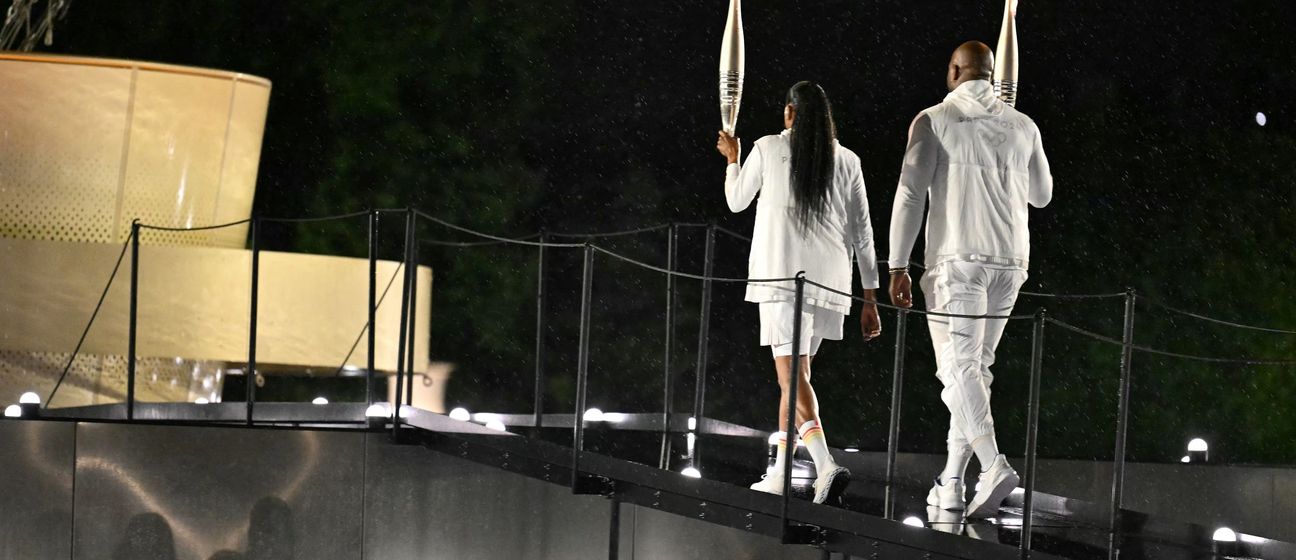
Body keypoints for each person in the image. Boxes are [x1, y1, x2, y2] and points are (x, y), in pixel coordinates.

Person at [887, 41, 1052, 518]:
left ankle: (992, 465)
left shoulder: (933, 118)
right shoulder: (1024, 125)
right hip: (1010, 263)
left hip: (958, 261)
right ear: (993, 74)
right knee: (974, 369)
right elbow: (1042, 196)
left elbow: (910, 194)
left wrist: (898, 264)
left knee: (958, 371)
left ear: (954, 70)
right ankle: (952, 481)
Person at [716, 81, 883, 505]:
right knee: (796, 379)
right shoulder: (847, 160)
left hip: (781, 277)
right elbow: (863, 235)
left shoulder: (769, 148)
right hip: (829, 283)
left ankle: (825, 465)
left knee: (791, 379)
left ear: (790, 113)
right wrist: (870, 298)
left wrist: (733, 161)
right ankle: (779, 474)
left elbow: (736, 201)